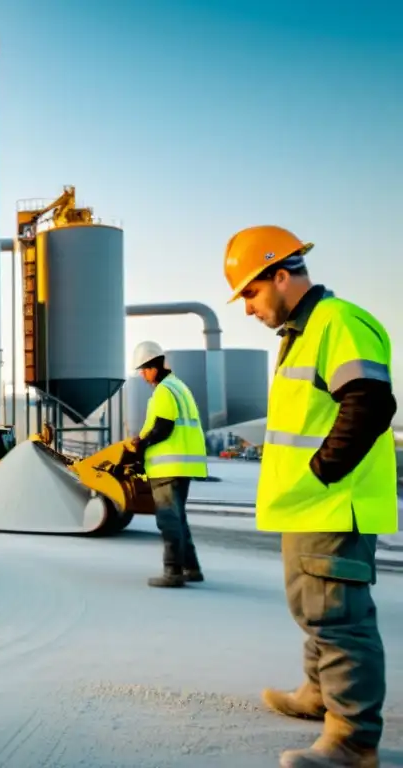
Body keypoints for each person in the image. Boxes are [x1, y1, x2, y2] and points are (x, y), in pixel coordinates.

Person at [224, 224, 398, 768]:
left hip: (331, 505)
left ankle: (352, 741)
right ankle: (318, 696)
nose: (247, 308)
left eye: (250, 293)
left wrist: (323, 472)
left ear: (281, 275)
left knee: (340, 620)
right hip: (306, 506)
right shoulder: (304, 333)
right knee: (314, 613)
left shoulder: (338, 322)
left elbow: (369, 402)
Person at [127, 341, 209, 588]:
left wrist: (141, 444)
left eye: (144, 369)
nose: (142, 375)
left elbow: (163, 427)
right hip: (183, 464)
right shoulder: (180, 387)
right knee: (178, 518)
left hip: (168, 465)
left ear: (155, 366)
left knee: (168, 519)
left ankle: (173, 572)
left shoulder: (164, 391)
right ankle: (191, 568)